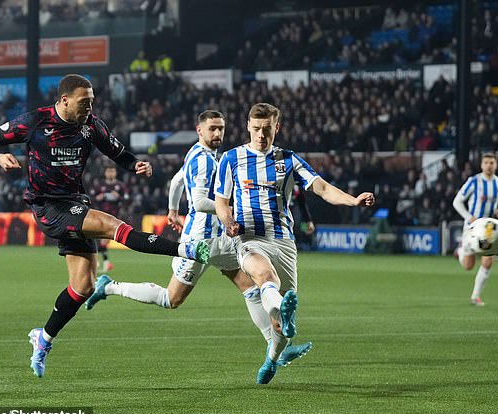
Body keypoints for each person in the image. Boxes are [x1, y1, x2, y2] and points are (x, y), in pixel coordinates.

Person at [0, 74, 209, 378]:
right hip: (48, 205)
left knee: (83, 285)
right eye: (84, 101)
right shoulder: (35, 122)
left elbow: (116, 151)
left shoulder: (90, 126)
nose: (90, 106)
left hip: (75, 202)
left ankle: (43, 338)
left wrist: (134, 164)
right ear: (64, 100)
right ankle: (185, 249)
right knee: (114, 226)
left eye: (92, 101)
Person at [85, 110, 312, 369]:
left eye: (221, 129)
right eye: (212, 128)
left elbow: (177, 179)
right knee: (171, 299)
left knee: (250, 288)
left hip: (220, 238)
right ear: (199, 130)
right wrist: (236, 206)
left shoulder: (202, 155)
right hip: (200, 243)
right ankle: (109, 287)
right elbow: (203, 202)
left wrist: (172, 210)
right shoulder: (204, 161)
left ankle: (276, 347)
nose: (217, 134)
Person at [214, 103, 375, 384]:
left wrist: (353, 199)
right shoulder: (231, 159)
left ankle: (273, 357)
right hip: (249, 237)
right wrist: (228, 222)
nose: (261, 135)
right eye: (255, 129)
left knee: (280, 327)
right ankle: (282, 310)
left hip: (284, 242)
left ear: (277, 127)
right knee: (263, 275)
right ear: (247, 127)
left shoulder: (288, 160)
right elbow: (221, 203)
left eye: (266, 129)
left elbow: (322, 188)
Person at [453, 152, 498, 306]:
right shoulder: (474, 182)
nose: (489, 166)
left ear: (496, 165)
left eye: (492, 163)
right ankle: (460, 252)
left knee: (488, 261)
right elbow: (457, 202)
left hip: (490, 230)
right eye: (486, 163)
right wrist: (468, 217)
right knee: (468, 266)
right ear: (481, 165)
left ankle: (475, 297)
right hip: (473, 229)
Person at [90, 165, 130, 272]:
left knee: (104, 241)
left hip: (114, 217)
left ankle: (100, 262)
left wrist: (118, 197)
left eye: (112, 171)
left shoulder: (120, 186)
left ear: (115, 173)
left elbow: (127, 200)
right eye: (109, 171)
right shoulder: (100, 186)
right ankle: (102, 263)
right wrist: (98, 198)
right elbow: (91, 198)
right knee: (101, 240)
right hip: (100, 215)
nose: (111, 173)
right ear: (105, 173)